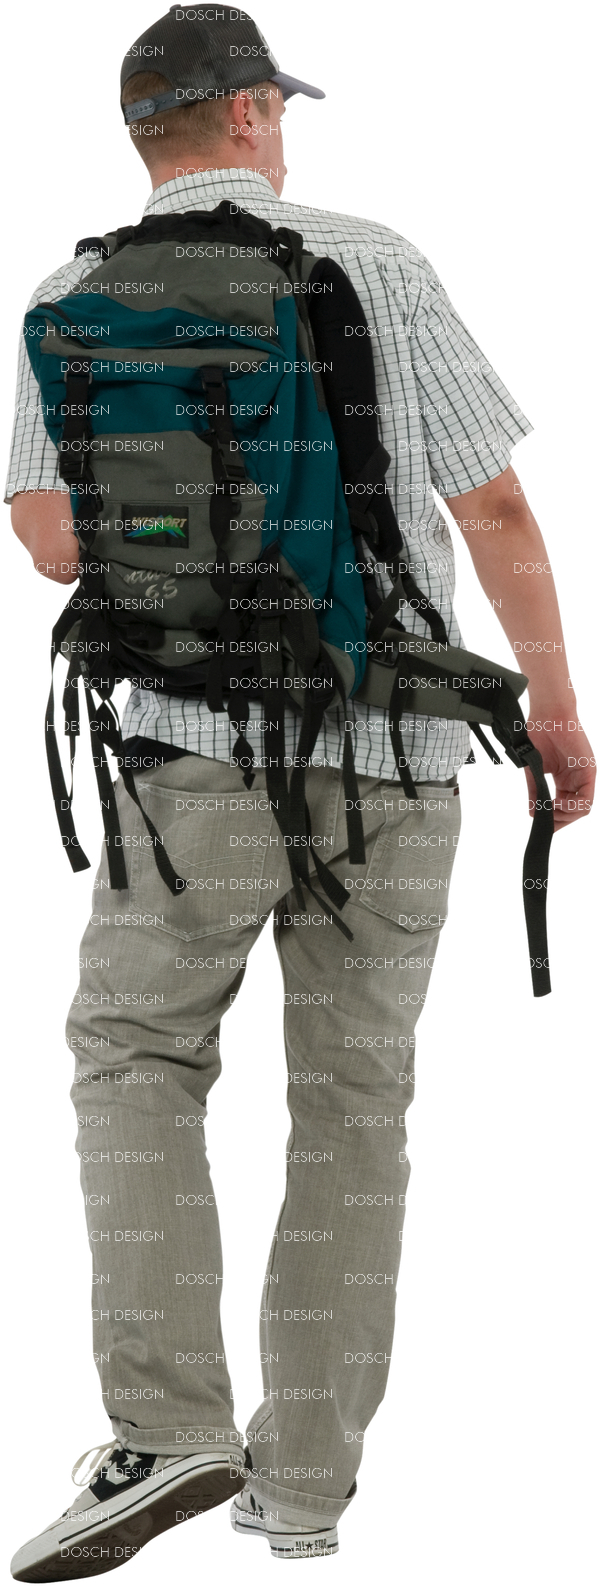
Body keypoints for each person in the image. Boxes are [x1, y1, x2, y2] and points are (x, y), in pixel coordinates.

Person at [7, 4, 595, 1578]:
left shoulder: (68, 294)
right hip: (395, 756)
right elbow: (496, 506)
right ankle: (304, 1489)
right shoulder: (375, 260)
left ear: (144, 132)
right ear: (255, 113)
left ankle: (168, 1426)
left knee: (137, 1056)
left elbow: (50, 543)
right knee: (352, 1106)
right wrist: (552, 708)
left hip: (185, 759)